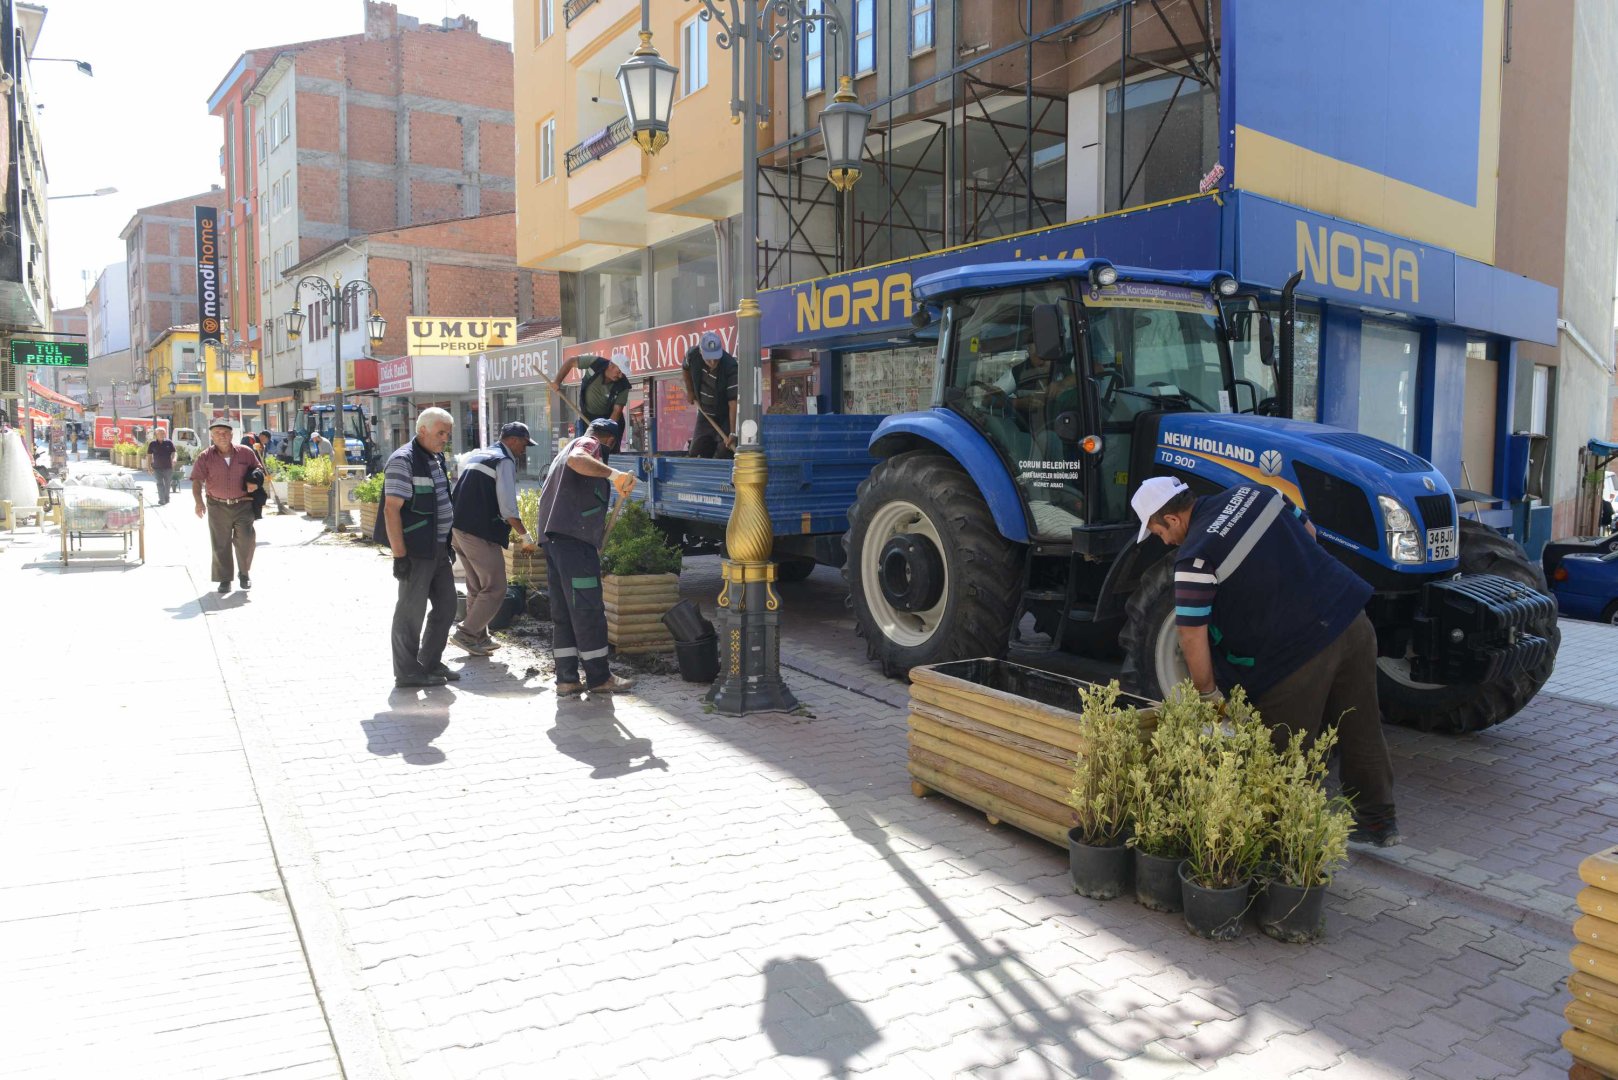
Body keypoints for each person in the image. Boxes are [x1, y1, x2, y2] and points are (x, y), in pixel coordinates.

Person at [1132, 476, 1399, 847]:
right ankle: (1378, 823)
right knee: (1361, 724)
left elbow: (1191, 634)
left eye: (1159, 532)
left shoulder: (1194, 557)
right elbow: (1309, 533)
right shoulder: (1256, 492)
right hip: (1351, 620)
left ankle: (1283, 846)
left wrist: (1208, 695)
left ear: (1172, 519)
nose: (1164, 541)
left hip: (1296, 654)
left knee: (1284, 752)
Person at [536, 417, 638, 696]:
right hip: (573, 543)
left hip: (555, 542)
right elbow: (578, 459)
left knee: (564, 614)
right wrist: (615, 475)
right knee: (588, 610)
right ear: (610, 441)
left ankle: (567, 679)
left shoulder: (563, 452)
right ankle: (599, 677)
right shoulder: (588, 445)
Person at [380, 407, 460, 689]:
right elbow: (391, 510)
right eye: (441, 433)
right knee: (410, 613)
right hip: (416, 551)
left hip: (438, 549)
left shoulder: (435, 458)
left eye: (448, 434)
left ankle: (429, 662)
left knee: (447, 606)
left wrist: (446, 543)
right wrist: (399, 556)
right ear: (422, 430)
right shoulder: (403, 461)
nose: (445, 439)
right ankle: (407, 672)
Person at [449, 421, 540, 656]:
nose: (524, 450)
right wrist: (526, 536)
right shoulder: (504, 460)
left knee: (477, 587)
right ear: (513, 440)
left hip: (458, 528)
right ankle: (466, 634)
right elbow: (508, 508)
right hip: (478, 532)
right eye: (524, 445)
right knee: (496, 587)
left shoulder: (481, 455)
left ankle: (479, 637)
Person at [192, 420, 263, 594]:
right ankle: (224, 580)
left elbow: (258, 469)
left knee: (246, 540)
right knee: (220, 544)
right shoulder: (205, 456)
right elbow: (197, 481)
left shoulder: (245, 453)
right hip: (217, 506)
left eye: (225, 432)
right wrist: (199, 502)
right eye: (217, 433)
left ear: (232, 435)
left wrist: (254, 481)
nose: (221, 436)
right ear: (212, 436)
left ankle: (244, 574)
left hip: (243, 504)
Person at [681, 331, 738, 458]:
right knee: (696, 453)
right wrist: (690, 391)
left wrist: (733, 432)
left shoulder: (730, 366)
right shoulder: (692, 355)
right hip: (705, 413)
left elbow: (733, 402)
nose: (712, 362)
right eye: (709, 358)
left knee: (725, 451)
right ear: (701, 352)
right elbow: (685, 368)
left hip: (724, 415)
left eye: (716, 357)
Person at [551, 354, 631, 427]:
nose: (620, 376)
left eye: (623, 373)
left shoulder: (624, 385)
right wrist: (557, 381)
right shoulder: (596, 362)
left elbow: (617, 411)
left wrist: (607, 429)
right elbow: (570, 362)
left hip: (609, 420)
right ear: (611, 365)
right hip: (586, 417)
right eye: (619, 372)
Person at [146, 430, 177, 506]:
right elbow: (149, 456)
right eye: (160, 433)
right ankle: (162, 499)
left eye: (163, 433)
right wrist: (149, 467)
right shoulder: (152, 444)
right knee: (159, 483)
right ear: (156, 434)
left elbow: (174, 452)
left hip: (168, 467)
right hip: (157, 468)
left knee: (167, 484)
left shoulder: (169, 442)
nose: (161, 435)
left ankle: (166, 498)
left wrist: (174, 458)